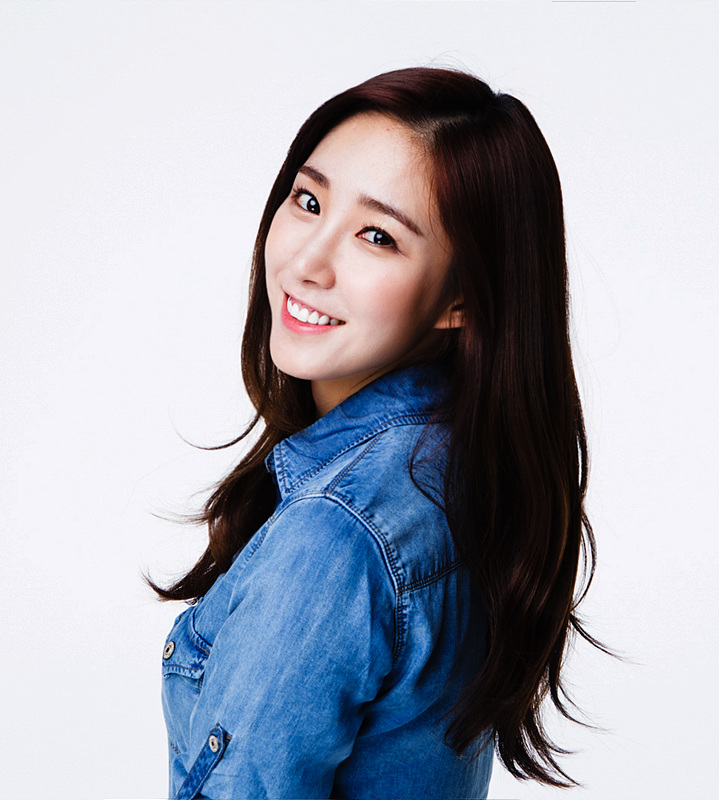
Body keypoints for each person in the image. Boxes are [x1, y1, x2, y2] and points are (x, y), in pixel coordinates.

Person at [149, 66, 600, 799]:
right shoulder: (457, 468)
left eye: (376, 236)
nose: (307, 263)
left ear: (461, 298)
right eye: (308, 200)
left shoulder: (336, 534)